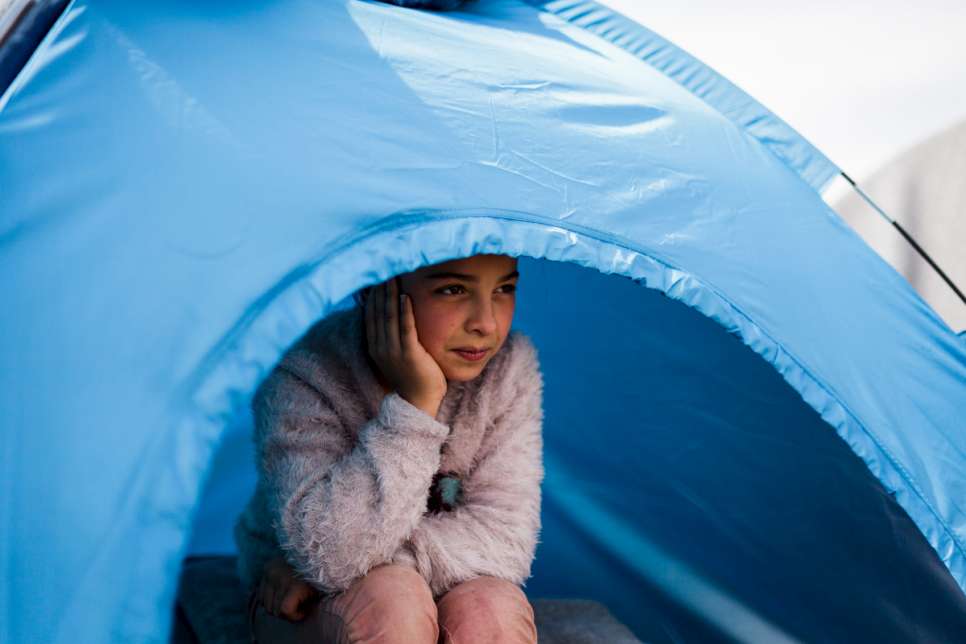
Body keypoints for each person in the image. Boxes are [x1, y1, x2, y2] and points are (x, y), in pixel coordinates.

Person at [233, 253, 544, 643]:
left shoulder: (509, 366)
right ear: (379, 286)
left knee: (493, 607)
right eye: (453, 289)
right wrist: (417, 406)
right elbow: (335, 551)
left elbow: (507, 540)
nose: (485, 323)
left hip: (326, 577)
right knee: (393, 601)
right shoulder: (305, 372)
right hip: (302, 607)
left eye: (504, 289)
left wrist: (319, 564)